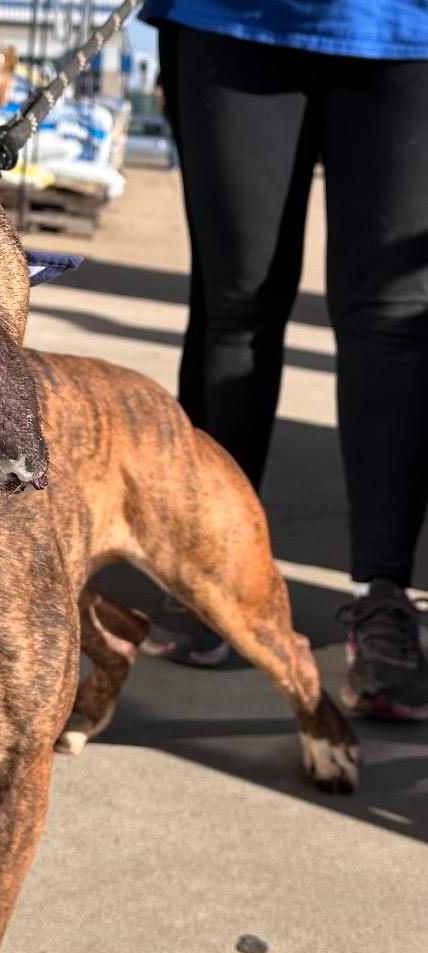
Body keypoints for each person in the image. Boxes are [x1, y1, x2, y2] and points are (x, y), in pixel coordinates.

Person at [140, 1, 428, 719]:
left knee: (392, 319)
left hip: (406, 28)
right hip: (236, 18)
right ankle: (212, 572)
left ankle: (382, 599)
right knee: (236, 306)